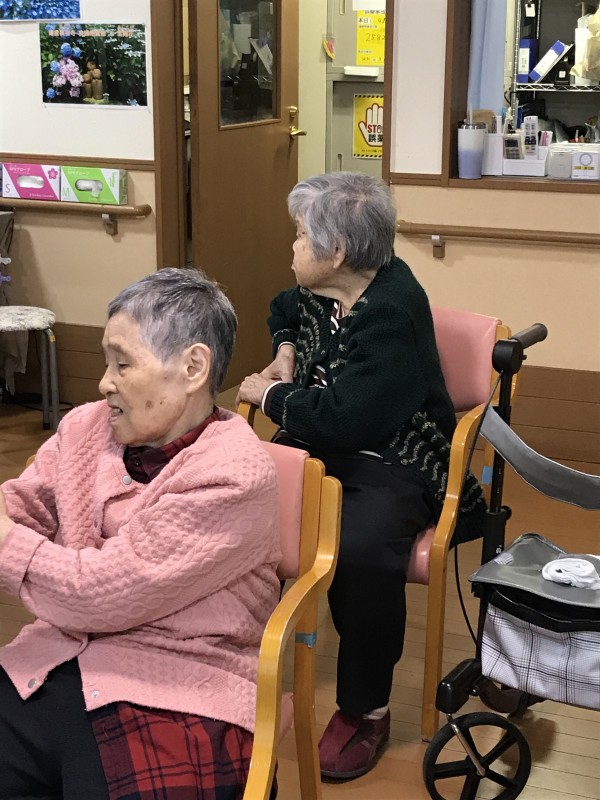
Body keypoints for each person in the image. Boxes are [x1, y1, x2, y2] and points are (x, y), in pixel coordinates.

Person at [237, 172, 487, 781]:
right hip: (322, 442)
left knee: (362, 549)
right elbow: (283, 306)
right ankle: (235, 667)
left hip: (395, 455)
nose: (293, 246)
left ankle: (365, 709)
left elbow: (347, 420)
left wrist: (269, 395)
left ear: (337, 251)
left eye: (301, 236)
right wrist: (287, 348)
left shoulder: (392, 310)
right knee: (235, 505)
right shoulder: (322, 288)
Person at [0, 268, 281, 800]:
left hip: (180, 687)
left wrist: (6, 541)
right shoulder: (85, 427)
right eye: (106, 362)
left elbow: (95, 594)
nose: (104, 382)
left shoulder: (233, 473)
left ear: (192, 368)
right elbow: (22, 506)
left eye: (122, 363)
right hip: (62, 657)